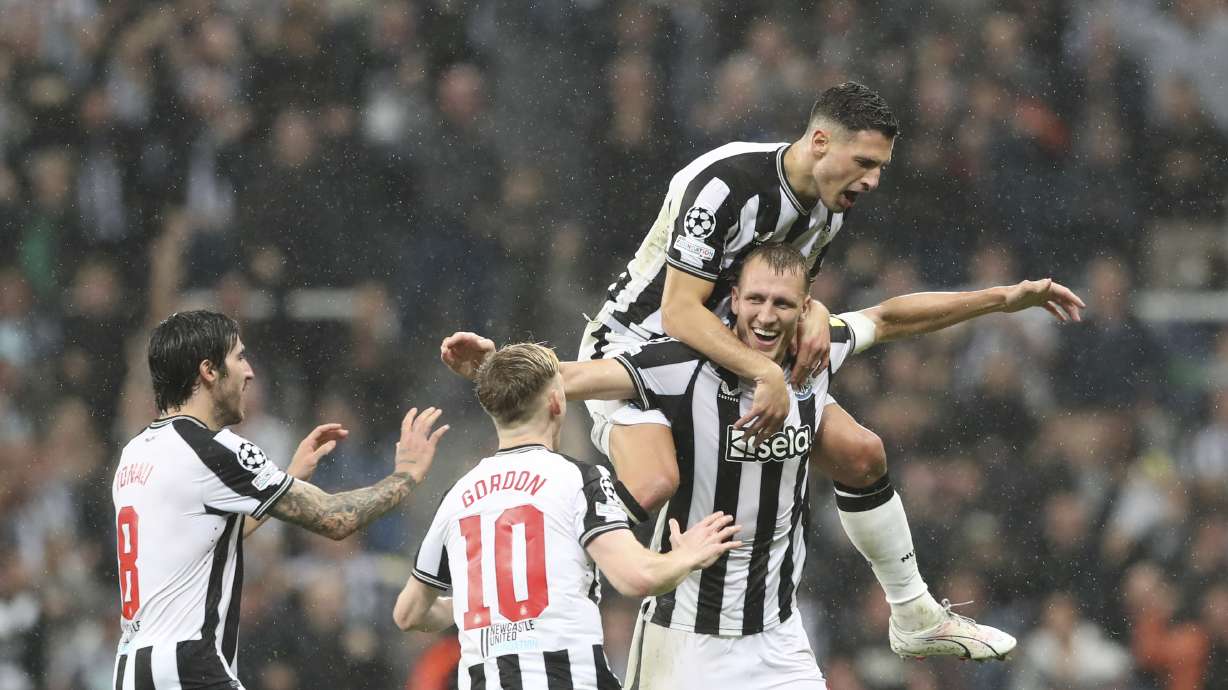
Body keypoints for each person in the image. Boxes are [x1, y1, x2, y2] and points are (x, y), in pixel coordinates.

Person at [576, 81, 1081, 655]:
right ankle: (542, 568)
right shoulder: (724, 184)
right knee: (655, 481)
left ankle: (915, 615)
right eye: (864, 162)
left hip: (734, 355)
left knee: (861, 452)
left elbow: (807, 298)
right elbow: (680, 311)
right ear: (820, 142)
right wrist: (767, 373)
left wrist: (813, 309)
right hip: (641, 347)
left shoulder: (828, 213)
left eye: (881, 167)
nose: (873, 180)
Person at [445, 244, 1086, 686]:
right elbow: (573, 375)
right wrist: (494, 363)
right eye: (754, 300)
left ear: (806, 308)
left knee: (865, 451)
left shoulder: (816, 355)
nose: (765, 315)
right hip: (683, 639)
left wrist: (1004, 298)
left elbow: (893, 316)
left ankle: (913, 611)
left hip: (776, 637)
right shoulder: (677, 365)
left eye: (783, 303)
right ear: (731, 299)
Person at [111, 310, 448, 689]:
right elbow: (335, 519)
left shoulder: (136, 452)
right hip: (189, 668)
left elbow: (206, 545)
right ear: (208, 371)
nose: (249, 372)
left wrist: (285, 479)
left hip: (132, 669)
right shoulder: (212, 449)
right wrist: (405, 476)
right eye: (239, 357)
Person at [394, 342, 742, 689]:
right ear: (557, 402)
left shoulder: (457, 496)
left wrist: (492, 604)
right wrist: (685, 556)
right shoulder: (579, 479)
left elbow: (408, 613)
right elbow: (636, 577)